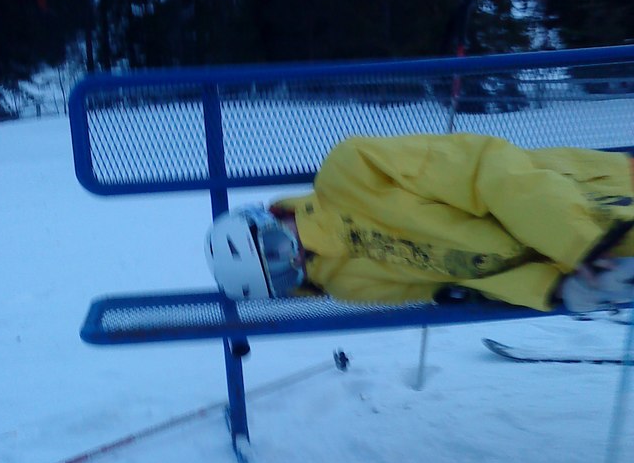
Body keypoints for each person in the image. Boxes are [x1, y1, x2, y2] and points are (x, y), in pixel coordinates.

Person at [205, 133, 634, 314]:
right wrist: (555, 288)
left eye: (278, 250)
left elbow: (490, 170)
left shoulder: (352, 170)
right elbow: (460, 281)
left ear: (272, 219)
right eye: (282, 274)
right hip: (593, 268)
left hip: (594, 202)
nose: (295, 258)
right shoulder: (344, 283)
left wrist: (582, 248)